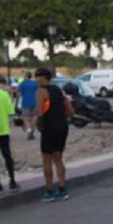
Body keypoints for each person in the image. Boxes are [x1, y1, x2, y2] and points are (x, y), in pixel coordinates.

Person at [35, 67, 73, 201]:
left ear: (43, 77)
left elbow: (40, 111)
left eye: (37, 76)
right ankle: (62, 188)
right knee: (58, 157)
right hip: (62, 125)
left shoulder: (41, 91)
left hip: (49, 125)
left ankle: (50, 190)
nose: (35, 79)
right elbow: (69, 108)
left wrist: (38, 124)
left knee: (47, 158)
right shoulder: (58, 90)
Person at [17, 71, 39, 139]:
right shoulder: (35, 83)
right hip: (35, 102)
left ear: (26, 76)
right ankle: (32, 131)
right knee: (34, 118)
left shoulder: (22, 84)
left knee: (26, 119)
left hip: (25, 103)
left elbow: (19, 94)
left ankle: (29, 130)